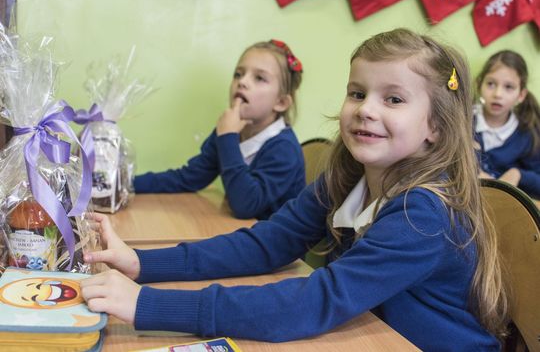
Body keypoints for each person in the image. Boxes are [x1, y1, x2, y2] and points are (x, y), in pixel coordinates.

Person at [81, 29, 508, 351]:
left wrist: (148, 305)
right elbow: (268, 242)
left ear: (436, 126)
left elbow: (316, 301)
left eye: (393, 99)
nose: (365, 109)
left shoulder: (423, 214)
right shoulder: (347, 177)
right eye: (357, 92)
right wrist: (142, 262)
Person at [134, 40, 305, 220]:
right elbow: (189, 178)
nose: (242, 82)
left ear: (281, 102)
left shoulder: (285, 149)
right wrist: (127, 184)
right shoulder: (229, 131)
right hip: (242, 230)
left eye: (259, 78)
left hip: (272, 237)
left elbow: (246, 205)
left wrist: (227, 137)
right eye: (238, 74)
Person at [474, 50, 540, 199]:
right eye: (491, 84)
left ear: (521, 95)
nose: (498, 94)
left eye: (508, 87)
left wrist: (518, 175)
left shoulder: (528, 133)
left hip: (499, 205)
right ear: (479, 85)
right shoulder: (464, 119)